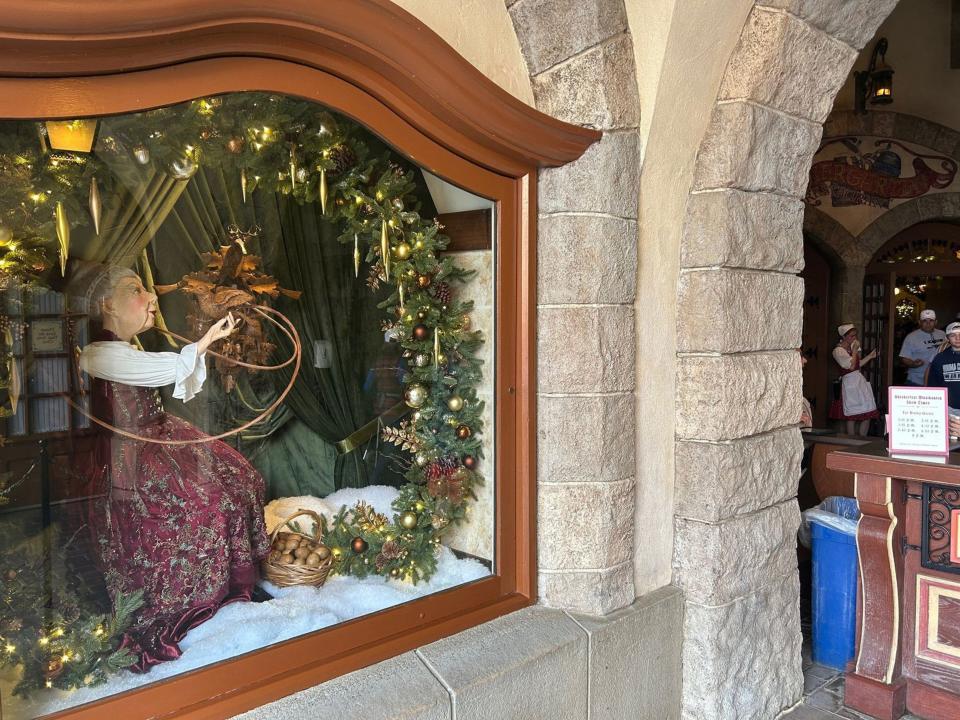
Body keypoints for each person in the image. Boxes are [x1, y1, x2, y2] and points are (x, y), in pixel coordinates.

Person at [73, 264, 271, 672]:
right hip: (131, 457)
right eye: (136, 291)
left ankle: (235, 587)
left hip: (159, 437)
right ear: (107, 305)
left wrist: (203, 345)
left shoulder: (125, 348)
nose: (151, 298)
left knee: (242, 479)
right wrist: (205, 341)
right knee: (208, 504)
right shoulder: (97, 353)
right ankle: (200, 596)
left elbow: (160, 370)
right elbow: (159, 370)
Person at [828, 323, 879, 436]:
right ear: (844, 337)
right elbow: (850, 366)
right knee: (852, 414)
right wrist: (855, 350)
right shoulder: (838, 351)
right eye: (851, 336)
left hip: (859, 380)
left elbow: (857, 364)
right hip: (849, 382)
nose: (854, 338)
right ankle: (851, 441)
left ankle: (862, 440)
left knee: (868, 410)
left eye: (855, 335)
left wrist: (870, 356)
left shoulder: (851, 347)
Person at [898, 309, 946, 386]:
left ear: (936, 322)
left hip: (938, 380)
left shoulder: (943, 334)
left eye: (931, 320)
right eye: (924, 321)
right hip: (916, 381)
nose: (928, 323)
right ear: (919, 322)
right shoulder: (911, 337)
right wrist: (913, 363)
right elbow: (904, 357)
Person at [927, 321, 960, 412]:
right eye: (953, 335)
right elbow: (933, 385)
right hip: (948, 408)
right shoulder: (939, 358)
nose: (958, 338)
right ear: (947, 338)